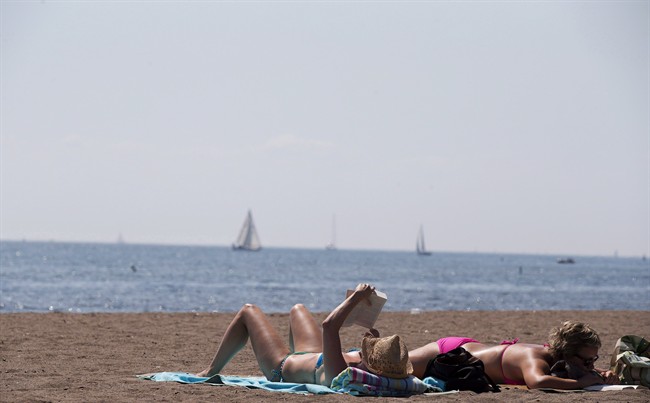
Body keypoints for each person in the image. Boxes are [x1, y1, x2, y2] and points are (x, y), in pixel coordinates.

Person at [196, 283, 413, 386]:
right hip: (314, 354)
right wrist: (372, 339)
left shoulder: (341, 372)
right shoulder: (370, 365)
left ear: (376, 367)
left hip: (280, 366)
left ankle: (210, 371)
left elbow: (329, 326)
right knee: (298, 308)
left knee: (248, 310)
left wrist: (356, 297)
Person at [407, 321, 618, 389]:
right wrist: (581, 384)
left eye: (594, 360)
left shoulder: (558, 355)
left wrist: (600, 373)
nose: (590, 365)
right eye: (587, 360)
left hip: (469, 351)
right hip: (449, 354)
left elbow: (578, 367)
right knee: (380, 364)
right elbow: (537, 382)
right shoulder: (534, 359)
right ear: (569, 353)